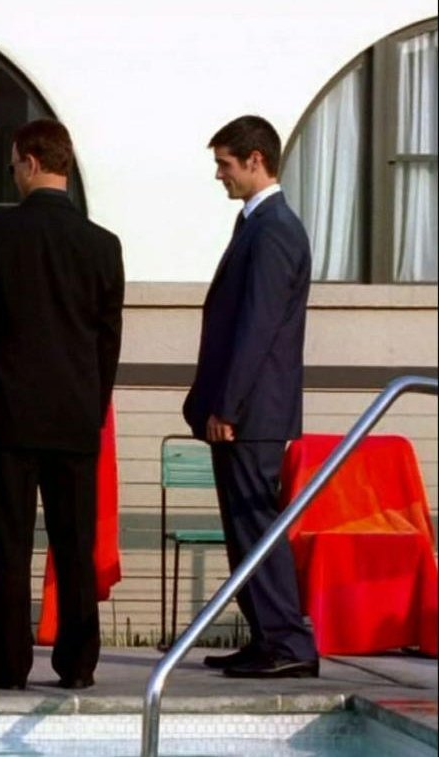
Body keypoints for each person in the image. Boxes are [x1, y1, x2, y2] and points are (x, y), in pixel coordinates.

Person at [0, 118, 124, 690]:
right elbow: (107, 339)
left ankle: (10, 662)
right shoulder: (104, 246)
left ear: (28, 161)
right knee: (75, 544)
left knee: (10, 542)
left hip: (9, 413)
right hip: (75, 416)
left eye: (12, 165)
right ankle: (78, 662)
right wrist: (93, 405)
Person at [183, 115, 319, 679]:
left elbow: (256, 327)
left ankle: (288, 640)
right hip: (249, 409)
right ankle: (268, 636)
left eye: (225, 164)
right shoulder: (257, 226)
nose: (220, 175)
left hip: (253, 413)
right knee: (245, 528)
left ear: (255, 159)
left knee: (257, 525)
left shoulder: (274, 230)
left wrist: (229, 405)